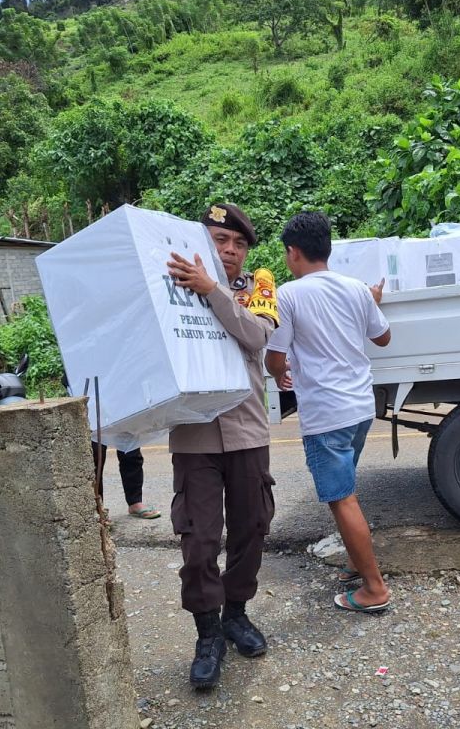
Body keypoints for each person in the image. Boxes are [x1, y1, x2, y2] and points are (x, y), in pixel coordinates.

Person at [165, 203, 278, 689]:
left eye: (238, 244)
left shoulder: (259, 288)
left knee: (252, 528)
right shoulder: (171, 286)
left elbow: (256, 337)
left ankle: (236, 614)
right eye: (219, 240)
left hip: (248, 430)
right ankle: (207, 632)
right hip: (194, 433)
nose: (230, 251)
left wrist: (213, 291)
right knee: (199, 540)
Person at [264, 210, 392, 614]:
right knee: (347, 491)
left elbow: (274, 357)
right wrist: (371, 302)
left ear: (293, 252)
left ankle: (374, 589)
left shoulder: (288, 294)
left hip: (326, 412)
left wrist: (282, 373)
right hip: (359, 407)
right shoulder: (356, 288)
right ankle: (358, 562)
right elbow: (383, 337)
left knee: (341, 498)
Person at [62, 373, 161, 519]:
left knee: (130, 450)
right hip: (91, 391)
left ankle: (135, 503)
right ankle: (97, 507)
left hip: (121, 391)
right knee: (94, 455)